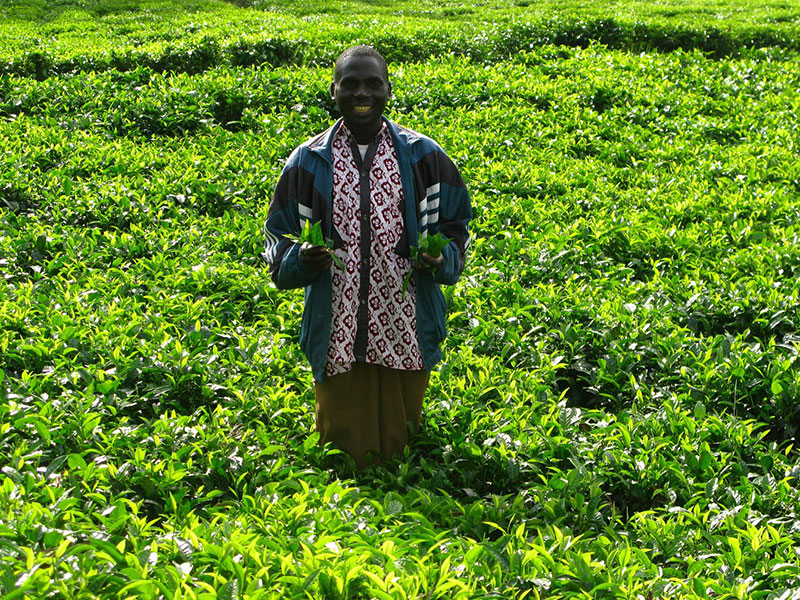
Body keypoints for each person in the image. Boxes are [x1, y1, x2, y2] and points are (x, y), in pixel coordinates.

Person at [264, 45, 471, 467]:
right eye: (351, 84)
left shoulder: (424, 156)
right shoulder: (308, 160)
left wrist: (440, 259)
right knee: (341, 446)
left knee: (403, 440)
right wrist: (302, 259)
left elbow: (455, 229)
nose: (363, 93)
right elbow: (278, 241)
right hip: (336, 314)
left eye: (373, 84)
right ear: (334, 90)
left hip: (404, 314)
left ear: (388, 90)